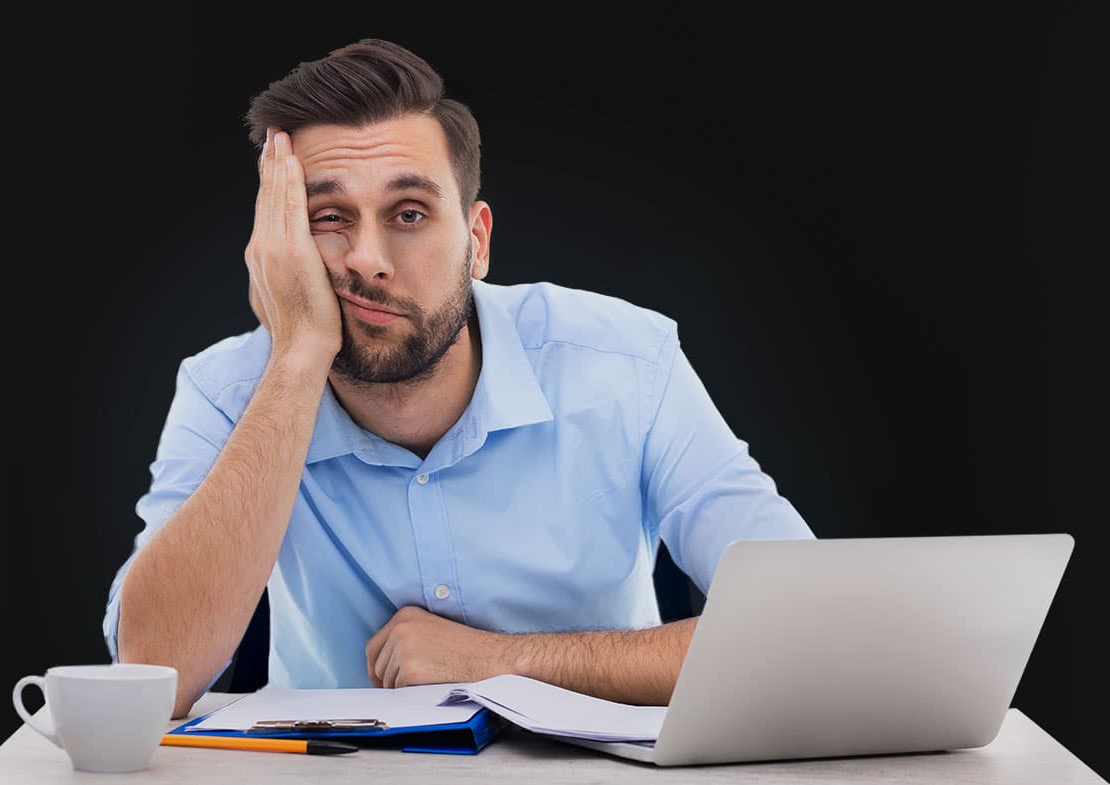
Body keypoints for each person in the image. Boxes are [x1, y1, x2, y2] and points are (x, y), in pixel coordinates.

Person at [103, 38, 815, 718]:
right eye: (328, 218)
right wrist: (294, 360)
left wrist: (500, 661)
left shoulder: (627, 362)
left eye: (408, 213)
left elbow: (806, 626)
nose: (367, 259)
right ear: (278, 243)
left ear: (477, 241)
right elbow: (148, 675)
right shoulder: (227, 390)